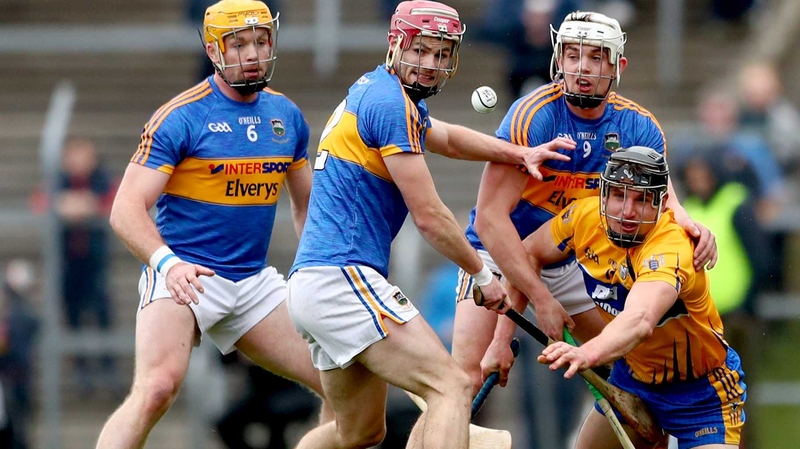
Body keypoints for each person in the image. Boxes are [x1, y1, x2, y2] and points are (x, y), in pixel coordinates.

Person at [284, 2, 571, 448]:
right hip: (343, 278)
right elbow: (432, 218)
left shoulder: (379, 93)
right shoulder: (388, 104)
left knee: (359, 432)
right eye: (421, 51)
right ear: (395, 44)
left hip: (313, 284)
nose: (431, 65)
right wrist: (481, 273)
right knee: (452, 386)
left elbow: (450, 139)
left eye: (441, 54)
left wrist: (520, 154)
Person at [95, 1, 334, 447]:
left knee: (339, 380)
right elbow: (125, 208)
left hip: (251, 282)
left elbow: (308, 208)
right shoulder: (181, 116)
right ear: (212, 49)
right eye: (238, 44)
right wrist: (169, 265)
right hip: (185, 275)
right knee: (157, 389)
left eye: (261, 42)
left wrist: (318, 272)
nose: (252, 54)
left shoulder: (287, 117)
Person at [452, 10, 716, 398]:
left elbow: (667, 206)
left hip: (568, 257)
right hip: (498, 254)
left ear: (618, 65)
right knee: (465, 379)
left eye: (596, 57)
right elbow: (491, 221)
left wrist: (695, 228)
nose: (582, 68)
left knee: (632, 375)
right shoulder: (533, 115)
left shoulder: (636, 127)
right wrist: (538, 300)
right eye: (573, 56)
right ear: (558, 60)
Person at [497, 146, 747, 448]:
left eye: (641, 199)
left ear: (662, 203)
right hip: (634, 381)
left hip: (700, 393)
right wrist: (541, 300)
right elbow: (526, 253)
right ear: (604, 195)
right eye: (619, 196)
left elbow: (640, 321)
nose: (627, 212)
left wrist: (585, 354)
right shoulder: (583, 218)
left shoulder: (671, 247)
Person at [55, 136, 119, 396]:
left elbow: (113, 201)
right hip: (68, 264)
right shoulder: (59, 180)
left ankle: (109, 369)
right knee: (73, 316)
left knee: (102, 315)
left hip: (96, 263)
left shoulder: (102, 179)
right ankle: (82, 375)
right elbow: (43, 202)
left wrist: (86, 205)